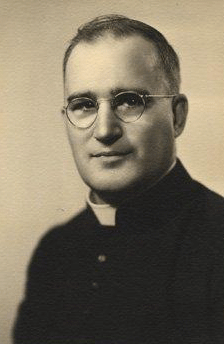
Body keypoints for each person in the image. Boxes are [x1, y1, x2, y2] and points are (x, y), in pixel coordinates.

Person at [13, 14, 224, 344]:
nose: (105, 130)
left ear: (177, 116)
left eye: (129, 101)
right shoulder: (54, 252)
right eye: (83, 105)